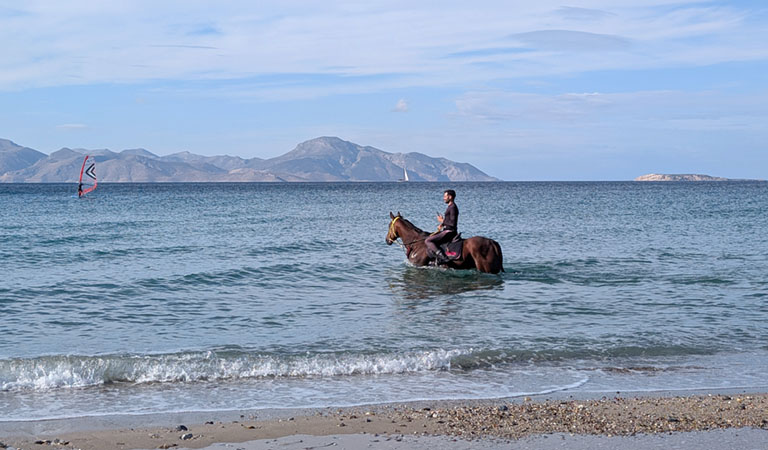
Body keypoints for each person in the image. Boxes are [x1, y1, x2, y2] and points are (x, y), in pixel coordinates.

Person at [425, 189, 458, 263]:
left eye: (445, 196)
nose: (444, 198)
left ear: (450, 197)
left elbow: (453, 223)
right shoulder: (450, 207)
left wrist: (442, 221)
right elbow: (449, 221)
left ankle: (444, 258)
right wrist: (442, 224)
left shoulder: (453, 207)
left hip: (450, 232)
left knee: (428, 240)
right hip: (446, 229)